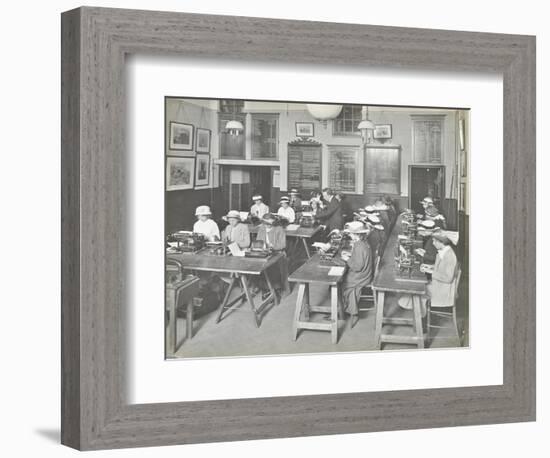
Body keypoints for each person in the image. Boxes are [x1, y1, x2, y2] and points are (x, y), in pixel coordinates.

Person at [398, 232, 458, 317]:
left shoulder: (450, 256)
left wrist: (432, 272)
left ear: (441, 242)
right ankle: (415, 311)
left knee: (418, 289)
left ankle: (420, 320)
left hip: (444, 291)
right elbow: (442, 268)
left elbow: (448, 278)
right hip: (440, 285)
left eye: (434, 241)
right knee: (419, 286)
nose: (433, 243)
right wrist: (429, 266)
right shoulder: (444, 251)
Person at [340, 221, 374, 327]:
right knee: (345, 277)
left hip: (361, 276)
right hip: (367, 273)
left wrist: (347, 259)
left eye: (350, 234)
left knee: (343, 282)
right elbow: (360, 257)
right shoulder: (363, 243)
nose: (349, 235)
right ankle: (346, 308)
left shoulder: (359, 246)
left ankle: (351, 311)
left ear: (356, 235)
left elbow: (357, 267)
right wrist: (350, 255)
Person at [255, 213, 289, 297]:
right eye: (266, 224)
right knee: (258, 265)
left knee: (272, 266)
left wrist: (273, 246)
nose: (268, 226)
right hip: (265, 252)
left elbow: (283, 245)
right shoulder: (262, 228)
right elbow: (258, 241)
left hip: (278, 253)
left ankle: (276, 288)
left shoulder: (279, 229)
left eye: (270, 224)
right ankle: (265, 287)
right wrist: (261, 247)